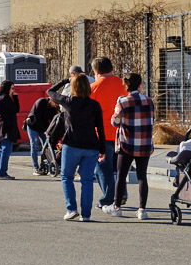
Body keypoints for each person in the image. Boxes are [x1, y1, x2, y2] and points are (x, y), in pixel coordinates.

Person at [47, 74, 106, 220]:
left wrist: (65, 81)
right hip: (91, 146)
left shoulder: (69, 102)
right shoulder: (95, 105)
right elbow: (100, 128)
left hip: (72, 144)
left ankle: (71, 209)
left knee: (67, 177)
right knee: (87, 180)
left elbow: (50, 91)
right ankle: (86, 215)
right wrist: (102, 149)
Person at [106, 73, 154, 219]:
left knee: (121, 175)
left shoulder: (123, 102)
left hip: (127, 143)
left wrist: (117, 108)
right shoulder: (149, 101)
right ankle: (142, 210)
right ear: (140, 85)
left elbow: (115, 122)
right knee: (142, 176)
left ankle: (116, 206)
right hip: (145, 143)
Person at [89, 57, 128, 207]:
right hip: (122, 132)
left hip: (101, 134)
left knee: (103, 168)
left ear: (96, 71)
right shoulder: (123, 84)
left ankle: (109, 198)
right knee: (119, 168)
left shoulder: (94, 87)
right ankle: (121, 194)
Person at [0, 81, 21, 180]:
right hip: (6, 127)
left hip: (0, 125)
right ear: (7, 89)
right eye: (12, 88)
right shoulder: (5, 98)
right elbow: (16, 109)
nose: (13, 91)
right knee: (6, 150)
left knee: (2, 150)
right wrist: (15, 98)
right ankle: (2, 173)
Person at [23, 92, 60, 175]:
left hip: (42, 127)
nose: (55, 105)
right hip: (32, 125)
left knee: (46, 146)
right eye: (55, 103)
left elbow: (53, 121)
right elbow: (37, 118)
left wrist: (50, 131)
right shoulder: (41, 102)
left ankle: (48, 165)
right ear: (51, 99)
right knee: (34, 145)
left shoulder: (53, 108)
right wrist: (46, 129)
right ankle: (36, 168)